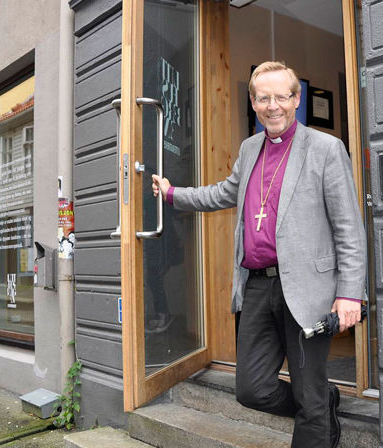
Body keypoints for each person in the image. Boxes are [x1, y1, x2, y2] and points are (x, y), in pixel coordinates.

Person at [151, 61, 366, 448]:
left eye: (282, 96)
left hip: (308, 288)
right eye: (264, 98)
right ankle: (321, 403)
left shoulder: (326, 149)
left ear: (296, 99)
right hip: (257, 287)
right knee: (252, 389)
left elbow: (349, 227)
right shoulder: (250, 148)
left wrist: (350, 293)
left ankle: (316, 410)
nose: (273, 106)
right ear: (253, 102)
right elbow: (223, 193)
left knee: (308, 393)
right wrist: (172, 194)